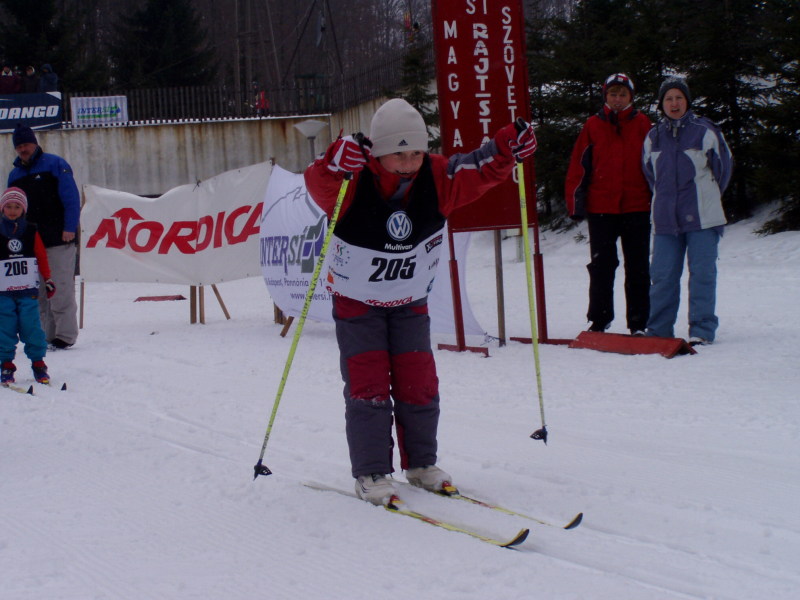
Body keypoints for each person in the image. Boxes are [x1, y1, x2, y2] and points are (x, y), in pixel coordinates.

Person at [304, 98, 537, 505]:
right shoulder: (354, 177)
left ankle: (421, 464)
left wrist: (506, 148)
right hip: (358, 304)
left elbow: (480, 168)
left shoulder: (439, 175)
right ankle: (372, 471)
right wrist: (335, 163)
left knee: (419, 384)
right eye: (399, 154)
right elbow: (319, 181)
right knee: (368, 387)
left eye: (416, 152)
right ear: (379, 152)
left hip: (410, 301)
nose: (409, 162)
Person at [642, 77, 733, 345]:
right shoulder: (653, 136)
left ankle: (701, 330)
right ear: (661, 104)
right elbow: (650, 175)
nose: (674, 103)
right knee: (662, 276)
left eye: (679, 98)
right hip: (665, 220)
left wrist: (706, 197)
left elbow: (723, 169)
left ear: (687, 101)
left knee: (702, 274)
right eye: (668, 99)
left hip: (703, 218)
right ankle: (659, 331)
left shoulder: (705, 131)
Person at [565, 73, 654, 335]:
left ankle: (638, 322)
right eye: (613, 94)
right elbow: (579, 166)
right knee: (601, 266)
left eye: (622, 94)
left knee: (638, 267)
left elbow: (655, 164)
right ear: (605, 96)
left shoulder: (643, 123)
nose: (617, 99)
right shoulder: (593, 125)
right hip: (601, 207)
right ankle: (599, 319)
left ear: (631, 97)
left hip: (637, 206)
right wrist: (576, 203)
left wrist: (658, 198)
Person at [8, 124, 80, 349]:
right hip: (30, 243)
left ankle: (65, 335)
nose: (23, 149)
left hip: (59, 239)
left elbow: (71, 199)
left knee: (60, 288)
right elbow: (12, 209)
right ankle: (47, 335)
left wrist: (70, 227)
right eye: (19, 146)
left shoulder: (55, 164)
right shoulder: (15, 175)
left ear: (35, 143)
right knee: (38, 292)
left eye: (26, 144)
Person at [0, 187, 56, 385]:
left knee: (31, 327)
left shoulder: (31, 230)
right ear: (2, 208)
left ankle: (38, 363)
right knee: (4, 329)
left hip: (27, 291)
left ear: (23, 209)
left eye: (17, 207)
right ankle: (6, 364)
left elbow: (41, 256)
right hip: (4, 293)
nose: (12, 211)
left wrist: (48, 279)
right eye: (8, 206)